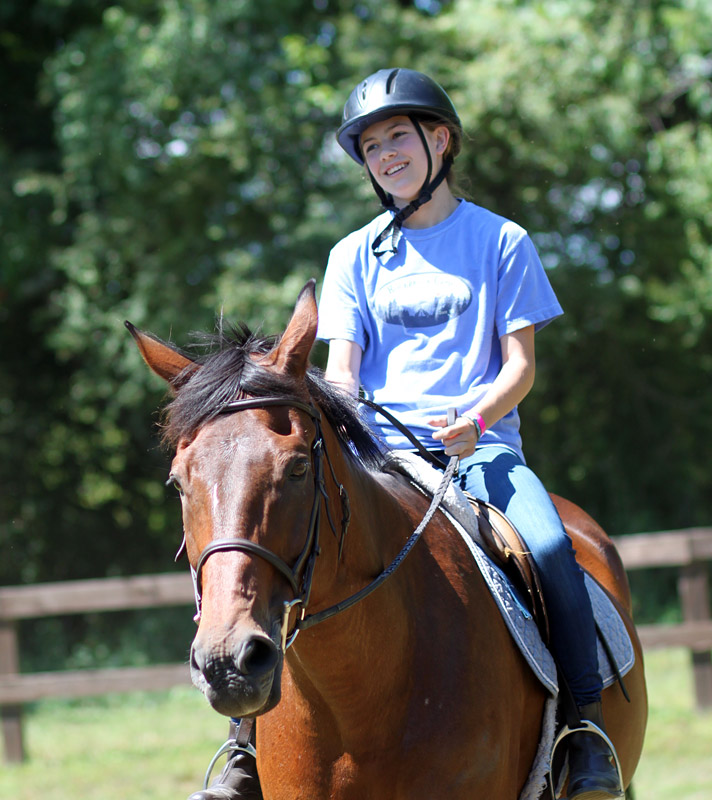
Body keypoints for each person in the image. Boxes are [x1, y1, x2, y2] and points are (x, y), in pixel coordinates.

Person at [190, 67, 622, 800]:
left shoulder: (502, 240)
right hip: (382, 457)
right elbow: (345, 376)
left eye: (398, 137)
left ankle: (585, 736)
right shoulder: (352, 256)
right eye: (370, 146)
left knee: (549, 546)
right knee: (259, 548)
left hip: (480, 451)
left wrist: (478, 420)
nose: (384, 155)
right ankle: (244, 752)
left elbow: (520, 364)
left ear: (440, 139)